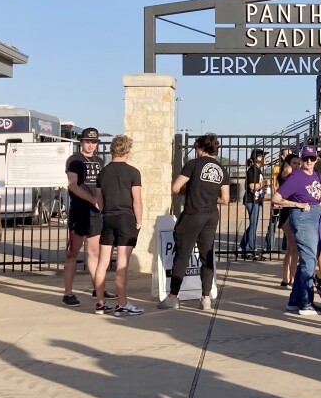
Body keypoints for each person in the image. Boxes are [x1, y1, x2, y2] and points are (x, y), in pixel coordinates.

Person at [159, 134, 230, 311]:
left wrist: (187, 191)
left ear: (201, 148)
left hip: (193, 214)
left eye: (196, 148)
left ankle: (173, 296)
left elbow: (175, 188)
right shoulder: (221, 169)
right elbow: (226, 199)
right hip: (211, 215)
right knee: (206, 256)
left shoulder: (193, 164)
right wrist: (211, 198)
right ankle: (206, 297)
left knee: (182, 255)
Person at [93, 134, 144, 316]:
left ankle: (100, 302)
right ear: (128, 151)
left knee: (102, 262)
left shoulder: (103, 172)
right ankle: (121, 303)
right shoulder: (133, 172)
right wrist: (139, 221)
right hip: (125, 218)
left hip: (107, 218)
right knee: (122, 262)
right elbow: (136, 201)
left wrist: (107, 211)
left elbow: (99, 202)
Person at [274, 145, 321, 315]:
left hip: (315, 217)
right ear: (301, 159)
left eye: (312, 158)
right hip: (303, 219)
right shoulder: (296, 176)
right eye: (306, 159)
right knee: (309, 261)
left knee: (307, 259)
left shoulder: (316, 174)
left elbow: (319, 198)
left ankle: (295, 301)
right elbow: (276, 198)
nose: (309, 161)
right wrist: (297, 204)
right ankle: (306, 302)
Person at [63, 127, 108, 307]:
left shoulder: (99, 161)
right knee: (73, 253)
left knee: (94, 252)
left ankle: (98, 288)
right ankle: (68, 293)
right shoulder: (74, 160)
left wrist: (102, 203)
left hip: (96, 214)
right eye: (88, 142)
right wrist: (92, 200)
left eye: (94, 142)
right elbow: (72, 185)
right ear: (81, 142)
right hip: (79, 212)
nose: (91, 145)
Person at [239, 149, 268, 261]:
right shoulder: (252, 170)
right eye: (262, 156)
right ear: (257, 158)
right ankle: (252, 249)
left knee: (253, 225)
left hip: (256, 200)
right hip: (252, 200)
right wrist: (265, 183)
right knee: (253, 226)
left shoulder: (258, 170)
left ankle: (242, 248)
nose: (264, 158)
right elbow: (252, 186)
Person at [278, 153, 301, 287]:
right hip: (288, 214)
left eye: (299, 163)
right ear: (288, 164)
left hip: (288, 213)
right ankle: (292, 279)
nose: (297, 166)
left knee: (290, 249)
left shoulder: (291, 174)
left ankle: (286, 278)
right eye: (294, 163)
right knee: (294, 249)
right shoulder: (288, 174)